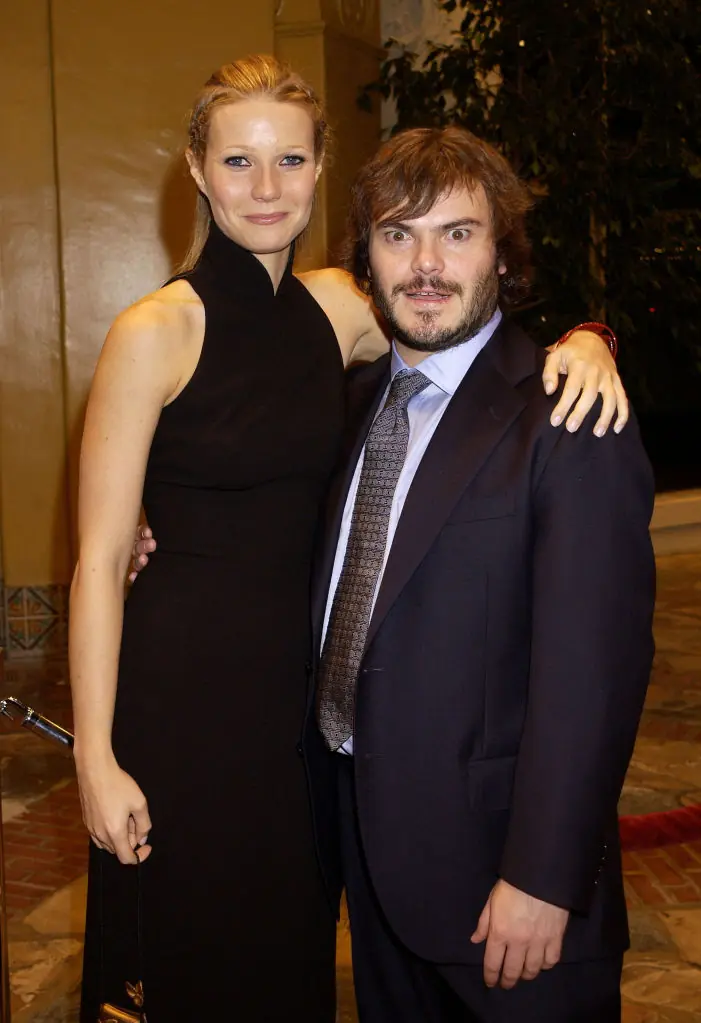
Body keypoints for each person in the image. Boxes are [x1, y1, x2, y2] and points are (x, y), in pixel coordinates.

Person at [73, 54, 628, 1022]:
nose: (265, 187)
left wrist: (589, 337)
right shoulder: (152, 330)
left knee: (289, 970)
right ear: (195, 169)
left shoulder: (341, 309)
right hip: (188, 715)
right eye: (237, 162)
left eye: (288, 160)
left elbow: (463, 320)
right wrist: (95, 759)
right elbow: (94, 562)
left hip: (299, 739)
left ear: (320, 168)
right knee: (196, 970)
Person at [302, 125, 656, 1022]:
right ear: (365, 259)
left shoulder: (567, 416)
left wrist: (543, 875)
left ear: (502, 252)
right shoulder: (350, 405)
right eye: (397, 234)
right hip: (371, 869)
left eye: (456, 233)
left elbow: (595, 675)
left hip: (508, 896)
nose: (425, 264)